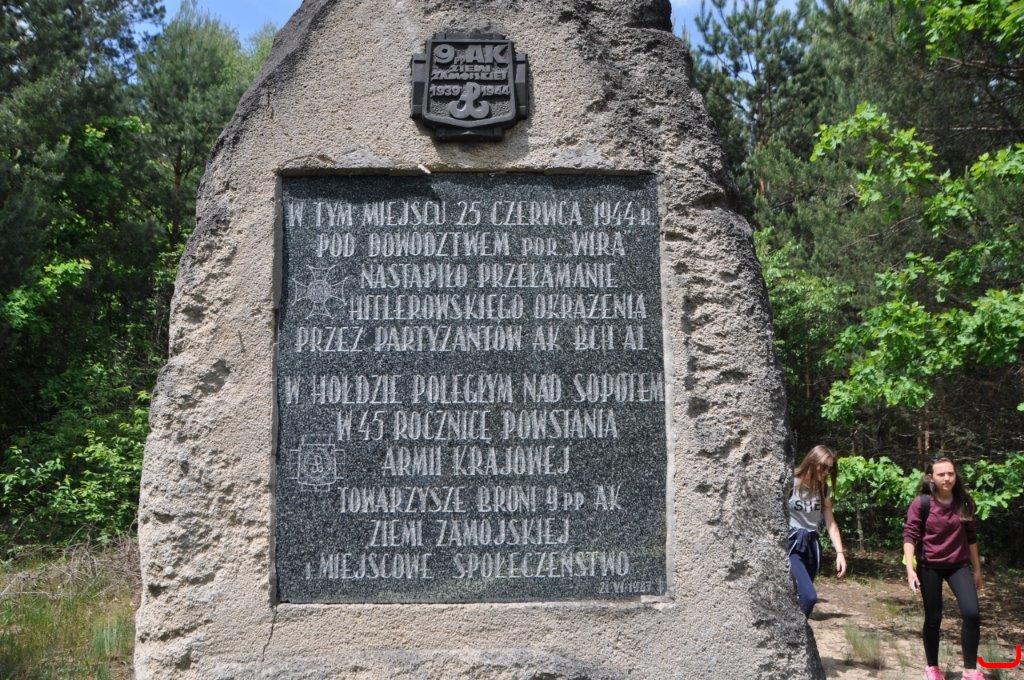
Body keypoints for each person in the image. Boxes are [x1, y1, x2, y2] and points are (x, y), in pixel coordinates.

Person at [903, 457, 984, 680]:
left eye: (950, 473)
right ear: (931, 478)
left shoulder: (963, 502)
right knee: (933, 617)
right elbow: (910, 536)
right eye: (941, 474)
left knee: (972, 613)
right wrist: (910, 569)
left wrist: (977, 570)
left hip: (958, 565)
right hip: (929, 566)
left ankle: (970, 671)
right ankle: (932, 667)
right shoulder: (922, 503)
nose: (947, 478)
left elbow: (971, 538)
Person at [787, 444, 847, 617]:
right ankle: (796, 630)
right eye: (824, 467)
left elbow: (831, 523)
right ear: (812, 462)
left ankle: (797, 628)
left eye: (830, 469)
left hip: (811, 546)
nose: (827, 472)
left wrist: (840, 553)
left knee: (799, 597)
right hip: (792, 545)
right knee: (809, 596)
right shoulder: (791, 483)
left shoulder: (824, 490)